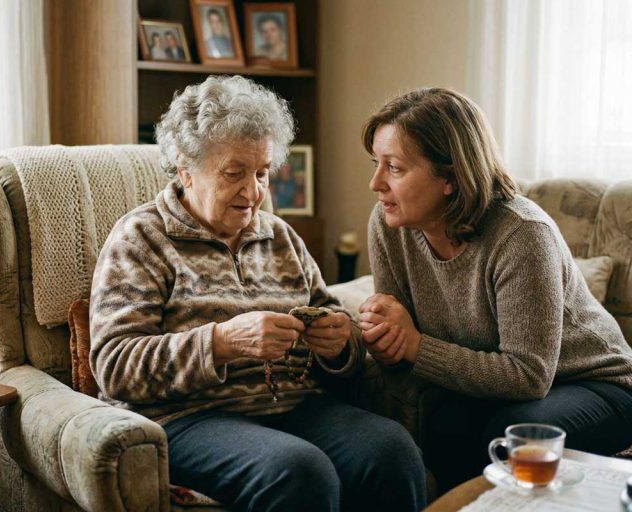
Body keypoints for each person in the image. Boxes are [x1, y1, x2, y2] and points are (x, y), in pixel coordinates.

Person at [90, 75, 426, 512]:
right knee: (298, 470)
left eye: (262, 173)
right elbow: (114, 366)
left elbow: (339, 348)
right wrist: (222, 343)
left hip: (294, 406)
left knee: (390, 449)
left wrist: (339, 343)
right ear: (184, 170)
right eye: (234, 173)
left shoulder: (281, 237)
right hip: (188, 418)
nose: (253, 192)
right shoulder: (141, 239)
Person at [359, 87, 632, 492]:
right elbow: (401, 349)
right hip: (500, 383)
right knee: (443, 420)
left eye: (394, 167)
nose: (375, 183)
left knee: (512, 436)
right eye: (376, 164)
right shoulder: (388, 224)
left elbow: (528, 376)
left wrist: (414, 345)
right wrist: (384, 336)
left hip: (595, 382)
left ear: (449, 176)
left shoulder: (522, 234)